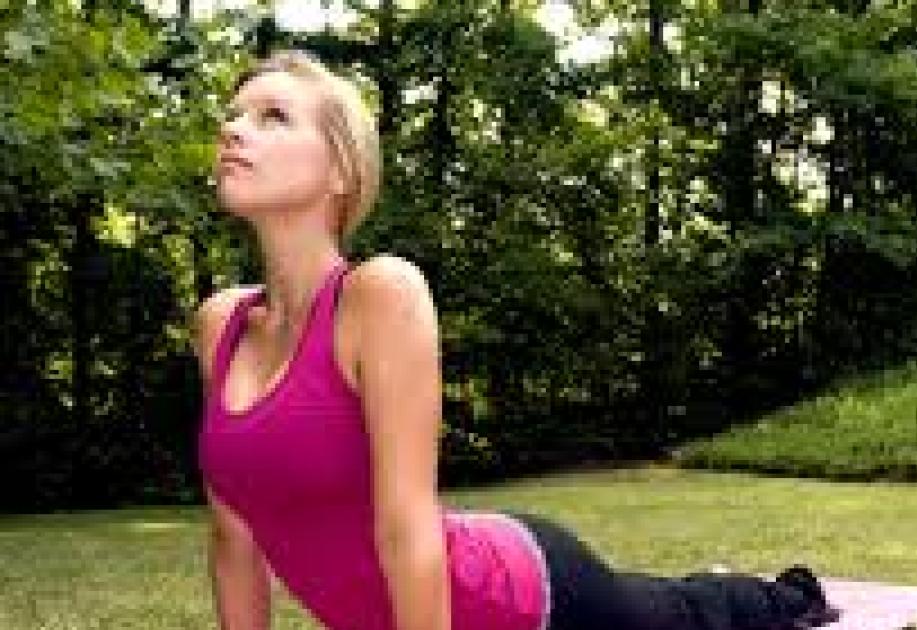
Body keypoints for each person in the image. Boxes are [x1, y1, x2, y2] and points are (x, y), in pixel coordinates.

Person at [193, 48, 840, 630]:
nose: (234, 129)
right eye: (234, 115)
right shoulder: (221, 325)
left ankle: (786, 597)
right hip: (450, 579)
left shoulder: (378, 295)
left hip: (523, 597)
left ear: (341, 170)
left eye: (273, 117)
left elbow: (405, 528)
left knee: (677, 615)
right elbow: (235, 540)